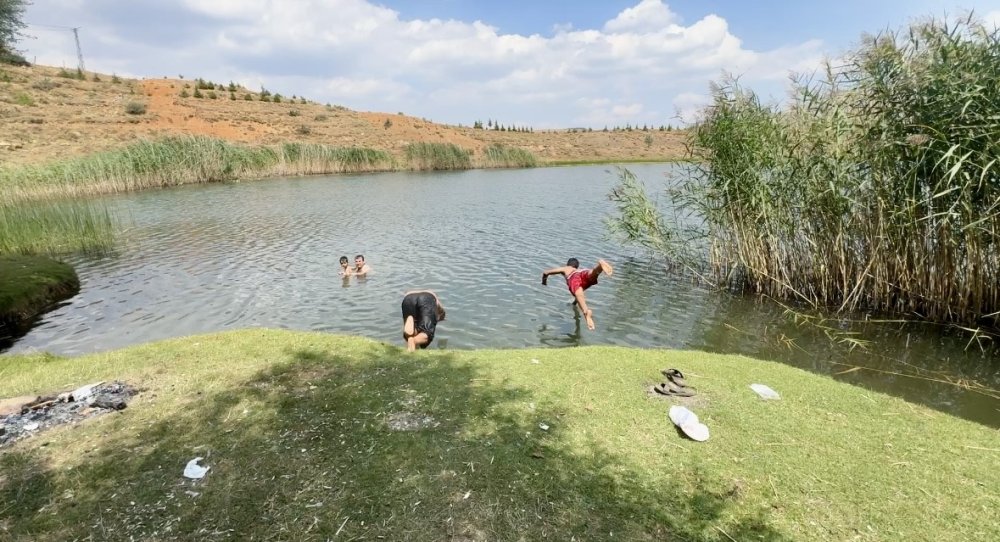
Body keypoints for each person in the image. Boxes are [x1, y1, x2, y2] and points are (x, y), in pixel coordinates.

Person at [541, 258, 613, 330]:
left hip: (574, 277)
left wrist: (544, 281)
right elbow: (579, 295)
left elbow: (546, 272)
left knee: (577, 289)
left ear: (568, 264)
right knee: (593, 274)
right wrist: (574, 303)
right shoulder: (578, 270)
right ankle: (599, 267)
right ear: (577, 266)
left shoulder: (566, 268)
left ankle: (586, 312)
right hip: (584, 273)